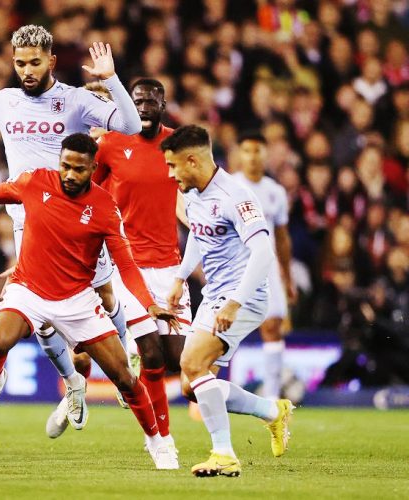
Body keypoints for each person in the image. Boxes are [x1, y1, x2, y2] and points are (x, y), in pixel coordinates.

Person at [0, 133, 180, 470]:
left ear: (93, 168)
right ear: (58, 162)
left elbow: (127, 264)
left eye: (79, 169)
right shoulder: (35, 182)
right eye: (65, 166)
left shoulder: (105, 207)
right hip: (28, 289)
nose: (71, 175)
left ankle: (158, 443)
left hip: (77, 299)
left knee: (124, 377)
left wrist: (148, 303)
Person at [0, 24, 141, 430]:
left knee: (106, 295)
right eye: (20, 63)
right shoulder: (5, 102)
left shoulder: (74, 99)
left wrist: (111, 79)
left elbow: (130, 125)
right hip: (30, 223)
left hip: (79, 220)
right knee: (41, 316)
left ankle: (128, 366)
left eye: (34, 62)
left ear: (51, 61)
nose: (27, 70)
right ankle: (73, 384)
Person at [163, 125, 293, 477]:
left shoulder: (237, 196)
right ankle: (272, 411)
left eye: (174, 166)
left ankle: (223, 453)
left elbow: (264, 252)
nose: (171, 174)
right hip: (215, 295)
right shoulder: (193, 192)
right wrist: (179, 277)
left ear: (192, 160)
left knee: (191, 364)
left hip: (244, 297)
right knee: (192, 386)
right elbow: (198, 236)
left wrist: (235, 302)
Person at [93, 78, 192, 452]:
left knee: (181, 363)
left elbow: (189, 195)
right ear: (127, 105)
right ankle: (161, 439)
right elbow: (92, 193)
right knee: (151, 353)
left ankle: (265, 409)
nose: (145, 106)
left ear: (164, 103)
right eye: (138, 101)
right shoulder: (111, 144)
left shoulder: (178, 146)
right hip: (126, 266)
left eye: (152, 100)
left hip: (169, 267)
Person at [233, 131, 295, 399]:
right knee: (225, 330)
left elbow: (282, 238)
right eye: (247, 151)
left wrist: (287, 277)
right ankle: (210, 392)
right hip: (235, 266)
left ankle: (272, 399)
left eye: (257, 151)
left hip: (267, 268)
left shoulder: (275, 192)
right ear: (240, 154)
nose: (252, 157)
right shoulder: (230, 186)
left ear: (265, 154)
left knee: (272, 328)